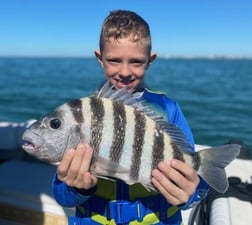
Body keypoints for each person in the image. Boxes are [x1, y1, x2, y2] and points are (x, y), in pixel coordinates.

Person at [52, 10, 209, 225]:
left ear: (150, 60)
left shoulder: (168, 109)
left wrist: (188, 195)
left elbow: (194, 186)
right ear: (100, 58)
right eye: (114, 60)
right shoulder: (82, 117)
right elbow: (62, 195)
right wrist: (76, 186)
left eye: (136, 62)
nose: (125, 72)